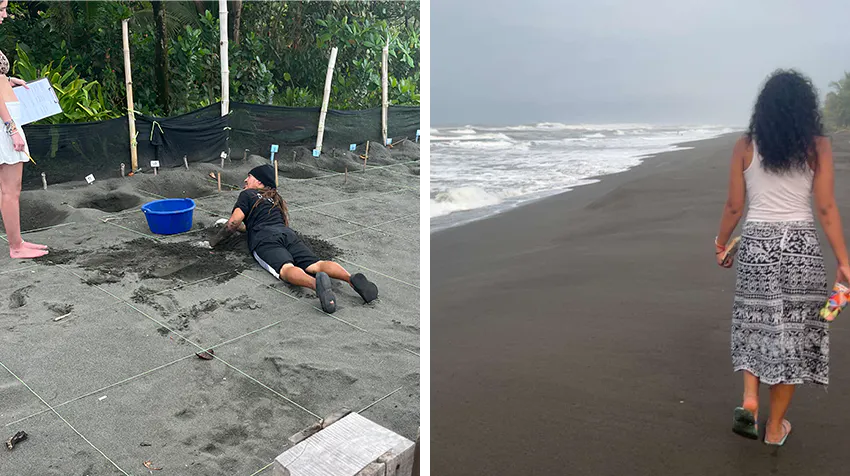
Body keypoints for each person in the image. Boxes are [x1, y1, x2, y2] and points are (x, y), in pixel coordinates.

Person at [715, 69, 849, 446]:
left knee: (754, 319)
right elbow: (826, 207)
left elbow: (734, 206)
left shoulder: (745, 145)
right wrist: (844, 260)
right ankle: (775, 429)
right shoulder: (817, 146)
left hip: (756, 244)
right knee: (795, 334)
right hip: (799, 247)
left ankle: (750, 398)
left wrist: (721, 243)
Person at [209, 164, 378, 313]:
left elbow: (234, 222)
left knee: (285, 268)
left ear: (259, 182)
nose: (245, 180)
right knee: (316, 264)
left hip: (264, 238)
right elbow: (253, 223)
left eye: (249, 177)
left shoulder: (247, 194)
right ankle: (350, 278)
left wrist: (214, 242)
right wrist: (240, 226)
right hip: (287, 234)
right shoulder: (275, 199)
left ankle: (316, 285)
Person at [0, 0, 47, 259]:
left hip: (7, 119)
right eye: (1, 9)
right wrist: (11, 128)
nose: (5, 15)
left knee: (11, 188)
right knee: (10, 188)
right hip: (5, 122)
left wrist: (8, 79)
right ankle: (16, 246)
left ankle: (17, 242)